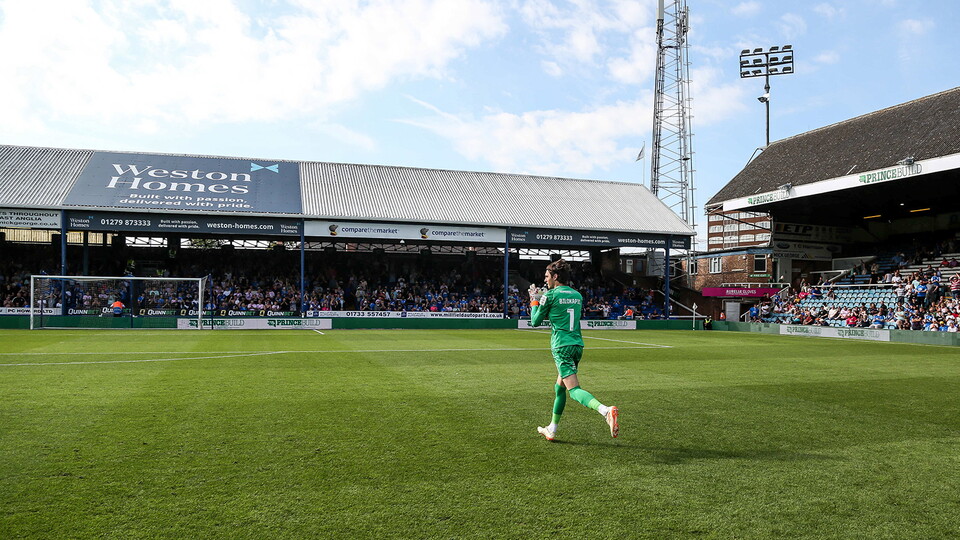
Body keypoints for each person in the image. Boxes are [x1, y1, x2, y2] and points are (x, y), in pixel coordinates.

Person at [529, 259, 619, 442]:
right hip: (577, 345)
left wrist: (534, 301)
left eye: (547, 276)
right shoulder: (577, 295)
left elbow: (535, 321)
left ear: (555, 276)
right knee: (559, 388)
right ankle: (552, 429)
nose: (545, 280)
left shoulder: (550, 295)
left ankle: (605, 411)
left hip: (561, 346)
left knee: (574, 390)